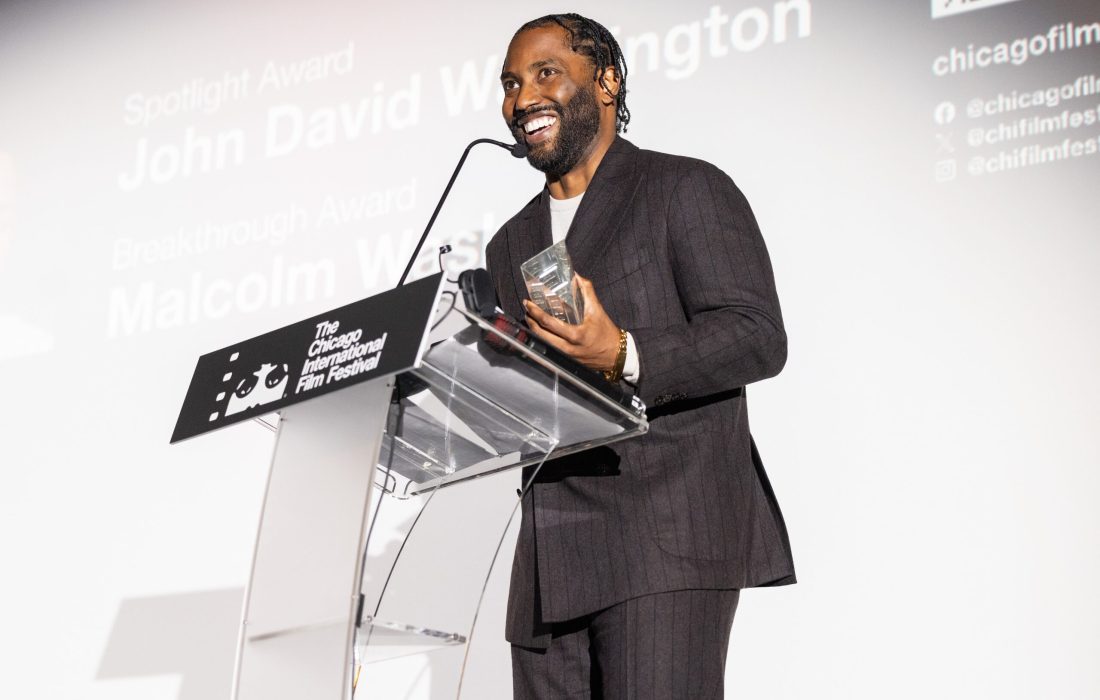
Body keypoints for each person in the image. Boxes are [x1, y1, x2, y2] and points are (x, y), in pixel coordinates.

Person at [485, 13, 795, 699]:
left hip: (662, 538)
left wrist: (624, 352)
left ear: (606, 82)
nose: (522, 98)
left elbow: (755, 334)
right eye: (510, 84)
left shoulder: (683, 187)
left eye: (545, 73)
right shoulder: (510, 242)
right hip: (547, 564)